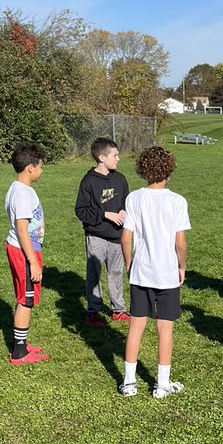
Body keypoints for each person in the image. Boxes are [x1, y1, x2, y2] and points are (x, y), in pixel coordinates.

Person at [119, 146, 190, 399]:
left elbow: (125, 238)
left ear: (143, 169)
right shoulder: (177, 201)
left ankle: (129, 383)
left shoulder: (134, 198)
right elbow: (180, 243)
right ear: (169, 170)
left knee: (136, 326)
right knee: (165, 328)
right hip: (166, 273)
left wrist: (130, 264)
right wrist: (182, 266)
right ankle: (162, 385)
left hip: (141, 272)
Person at [74, 137, 130, 326]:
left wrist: (123, 210)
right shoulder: (88, 181)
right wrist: (105, 214)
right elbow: (81, 211)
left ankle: (118, 310)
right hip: (96, 236)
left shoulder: (120, 179)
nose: (118, 159)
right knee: (94, 274)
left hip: (117, 236)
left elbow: (125, 201)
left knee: (116, 273)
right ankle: (93, 311)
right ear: (101, 157)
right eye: (114, 155)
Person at [4, 141, 48, 365]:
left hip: (22, 249)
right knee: (26, 300)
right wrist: (33, 261)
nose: (41, 171)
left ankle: (21, 343)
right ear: (30, 167)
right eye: (40, 167)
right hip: (24, 252)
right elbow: (22, 229)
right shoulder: (23, 194)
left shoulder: (18, 188)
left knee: (24, 297)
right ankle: (19, 353)